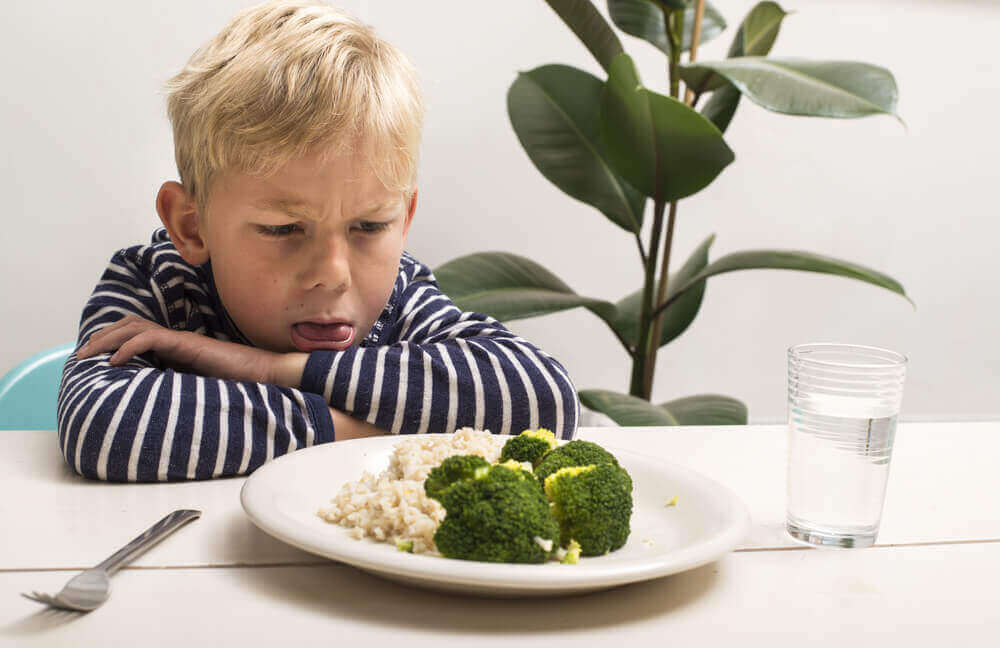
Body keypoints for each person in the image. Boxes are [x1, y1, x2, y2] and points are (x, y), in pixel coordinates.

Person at [59, 0, 579, 482]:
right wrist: (372, 432)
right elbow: (104, 426)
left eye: (369, 226)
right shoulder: (155, 284)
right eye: (283, 229)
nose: (333, 272)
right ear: (191, 226)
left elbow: (544, 398)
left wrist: (264, 368)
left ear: (405, 218)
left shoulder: (401, 295)